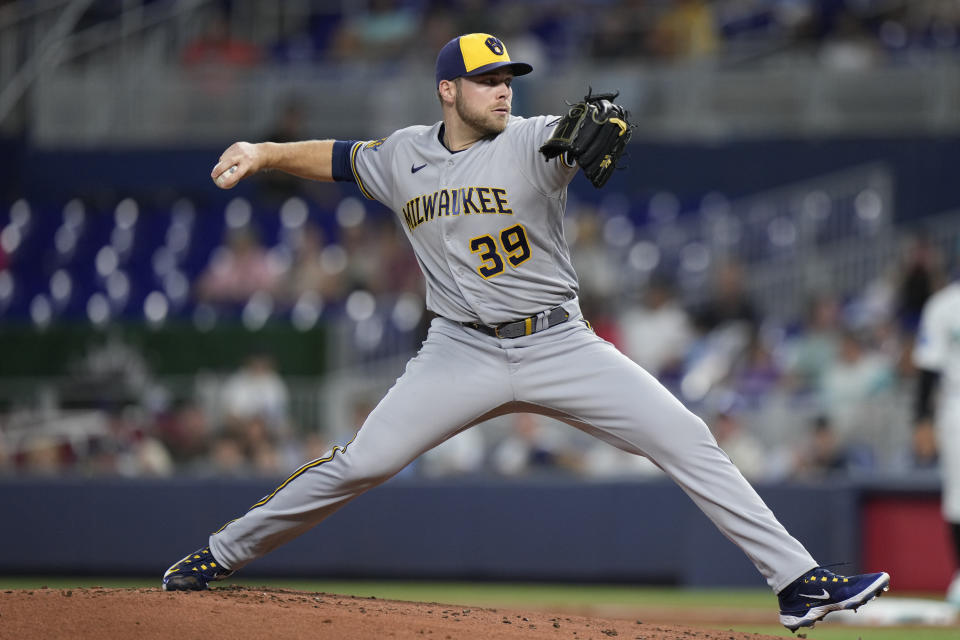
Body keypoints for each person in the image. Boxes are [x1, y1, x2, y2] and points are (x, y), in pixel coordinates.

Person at [161, 32, 889, 631]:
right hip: (459, 350)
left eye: (507, 77)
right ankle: (221, 553)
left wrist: (604, 119)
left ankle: (797, 582)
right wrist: (263, 152)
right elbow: (339, 157)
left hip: (558, 343)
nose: (502, 88)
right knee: (360, 464)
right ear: (448, 90)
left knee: (685, 436)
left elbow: (579, 138)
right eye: (485, 79)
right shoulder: (403, 155)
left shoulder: (535, 140)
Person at [913, 276, 960, 608]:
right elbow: (928, 369)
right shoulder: (945, 305)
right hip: (957, 402)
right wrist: (922, 420)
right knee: (958, 496)